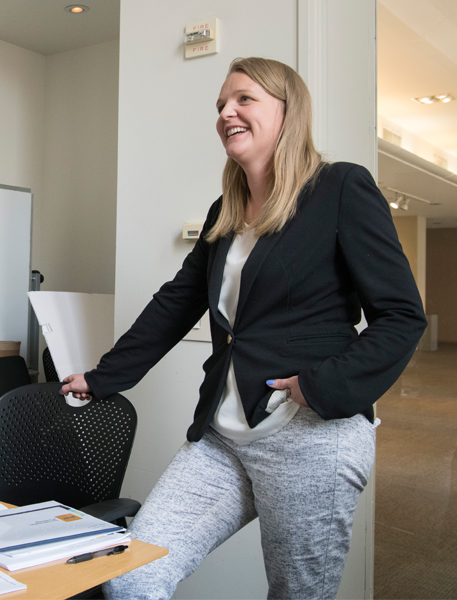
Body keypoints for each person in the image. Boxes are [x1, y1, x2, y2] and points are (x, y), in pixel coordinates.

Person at [60, 57, 426, 599]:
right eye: (221, 105)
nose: (226, 112)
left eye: (244, 99)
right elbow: (175, 305)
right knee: (135, 574)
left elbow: (401, 316)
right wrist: (103, 375)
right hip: (222, 438)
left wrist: (319, 387)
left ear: (287, 110)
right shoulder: (225, 211)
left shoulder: (341, 188)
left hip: (310, 438)